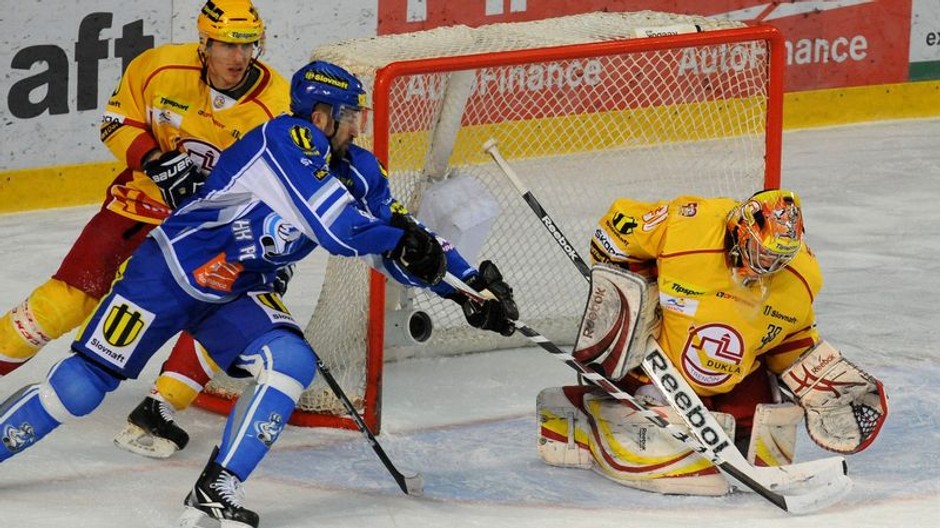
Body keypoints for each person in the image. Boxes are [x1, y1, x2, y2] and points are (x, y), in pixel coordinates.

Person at [0, 59, 518, 527]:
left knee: (290, 361)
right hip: (170, 271)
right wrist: (406, 245)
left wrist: (469, 288)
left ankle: (216, 488)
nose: (359, 124)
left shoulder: (359, 168)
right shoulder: (284, 141)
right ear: (319, 115)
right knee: (83, 387)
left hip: (238, 288)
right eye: (349, 114)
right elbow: (340, 231)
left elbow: (401, 238)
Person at [0, 0, 291, 457]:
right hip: (139, 205)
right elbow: (117, 122)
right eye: (227, 46)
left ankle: (159, 408)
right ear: (205, 44)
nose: (238, 58)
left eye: (247, 45)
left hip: (208, 233)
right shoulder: (159, 68)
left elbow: (280, 186)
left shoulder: (276, 107)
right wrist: (155, 160)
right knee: (69, 298)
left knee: (221, 306)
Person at [536, 190, 888, 496]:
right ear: (741, 229)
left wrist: (813, 375)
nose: (768, 265)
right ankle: (589, 408)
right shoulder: (688, 228)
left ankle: (713, 422)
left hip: (733, 372)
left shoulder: (801, 278)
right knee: (659, 415)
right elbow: (615, 228)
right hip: (655, 367)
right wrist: (635, 288)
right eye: (762, 252)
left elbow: (788, 337)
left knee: (767, 424)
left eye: (779, 258)